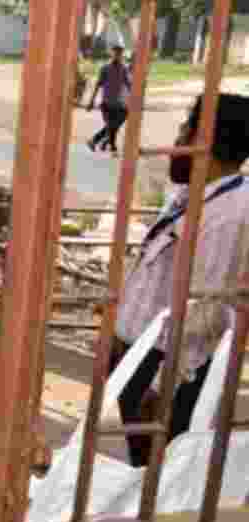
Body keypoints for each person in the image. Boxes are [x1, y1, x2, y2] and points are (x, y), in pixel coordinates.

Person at [112, 93, 249, 467]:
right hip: (141, 353)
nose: (175, 143)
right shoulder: (196, 196)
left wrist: (161, 384)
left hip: (166, 369)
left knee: (157, 474)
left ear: (207, 141)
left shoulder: (228, 215)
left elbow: (206, 311)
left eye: (185, 131)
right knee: (143, 467)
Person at [88, 46, 132, 154]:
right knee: (111, 126)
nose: (117, 56)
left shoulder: (124, 69)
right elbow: (98, 85)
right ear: (111, 54)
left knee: (114, 124)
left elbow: (129, 85)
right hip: (107, 103)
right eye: (115, 53)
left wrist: (135, 99)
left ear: (122, 55)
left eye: (119, 54)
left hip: (119, 104)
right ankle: (111, 146)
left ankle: (99, 141)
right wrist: (91, 101)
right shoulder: (105, 68)